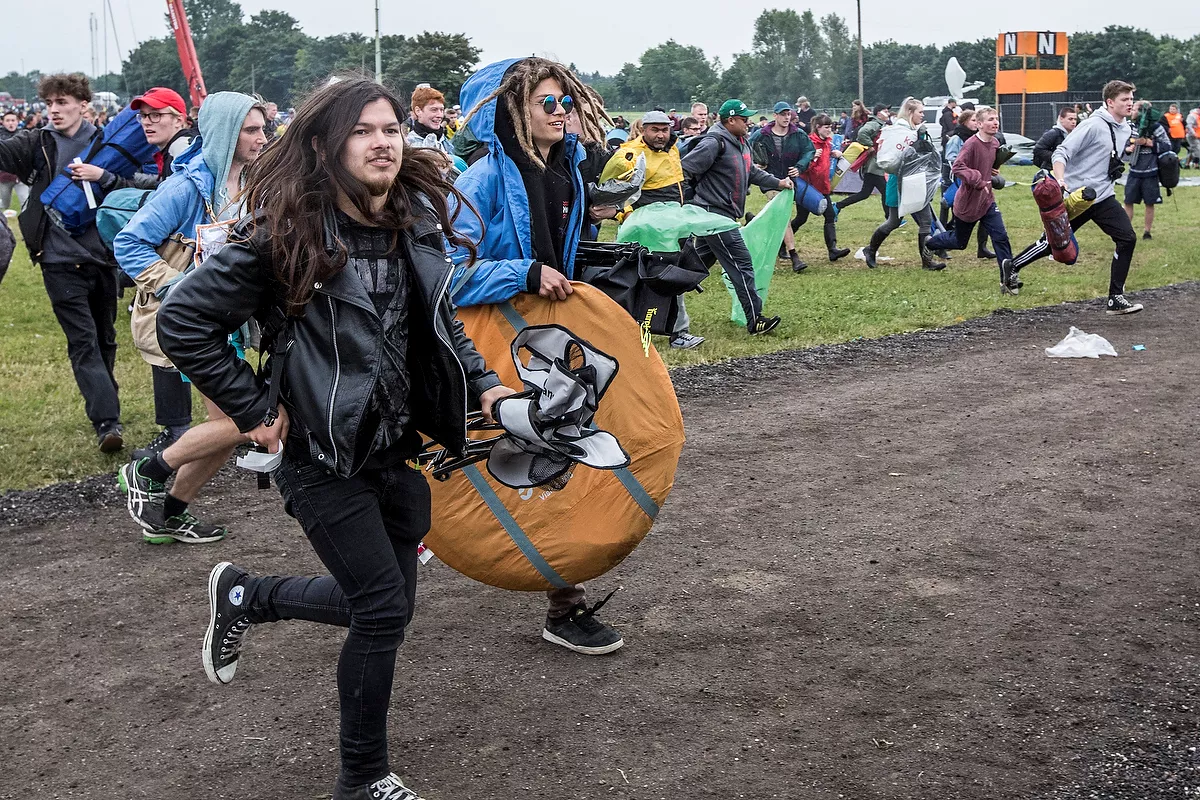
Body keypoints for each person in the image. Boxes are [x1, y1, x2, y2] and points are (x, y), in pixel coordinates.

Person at [157, 75, 513, 800]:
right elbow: (182, 321)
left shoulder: (413, 222)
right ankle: (363, 778)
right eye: (363, 131)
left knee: (384, 605)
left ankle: (249, 596)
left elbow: (439, 321)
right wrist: (253, 409)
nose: (383, 143)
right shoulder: (284, 235)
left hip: (395, 448)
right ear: (324, 146)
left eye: (391, 129)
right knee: (380, 610)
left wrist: (486, 385)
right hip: (319, 456)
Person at [449, 57, 630, 655]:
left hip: (541, 345)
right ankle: (372, 585)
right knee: (456, 470)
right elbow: (442, 277)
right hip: (482, 347)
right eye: (546, 102)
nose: (561, 111)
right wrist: (523, 273)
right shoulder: (478, 183)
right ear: (512, 110)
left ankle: (564, 603)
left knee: (554, 458)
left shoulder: (567, 172)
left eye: (565, 101)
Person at [114, 92, 268, 544]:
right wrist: (178, 288)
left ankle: (168, 514)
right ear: (226, 133)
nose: (262, 138)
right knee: (247, 420)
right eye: (251, 130)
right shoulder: (184, 187)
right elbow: (129, 242)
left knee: (230, 428)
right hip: (187, 327)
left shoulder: (253, 181)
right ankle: (147, 470)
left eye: (262, 128)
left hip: (225, 323)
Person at [0, 74, 130, 451]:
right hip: (57, 260)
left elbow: (137, 185)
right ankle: (107, 422)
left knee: (106, 338)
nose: (54, 111)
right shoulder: (36, 142)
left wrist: (103, 176)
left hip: (103, 257)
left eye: (62, 103)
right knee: (83, 341)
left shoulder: (105, 141)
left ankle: (107, 405)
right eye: (49, 104)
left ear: (83, 105)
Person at [1004, 80, 1142, 314]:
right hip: (1076, 196)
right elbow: (1061, 152)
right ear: (1110, 102)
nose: (1130, 103)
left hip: (1103, 196)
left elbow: (1116, 158)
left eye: (1131, 99)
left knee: (1127, 238)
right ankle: (1013, 265)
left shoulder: (1127, 129)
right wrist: (1060, 179)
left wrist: (1126, 155)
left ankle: (1115, 298)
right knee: (1054, 245)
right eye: (1124, 99)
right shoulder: (1092, 125)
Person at [124, 86, 201, 458]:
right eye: (143, 116)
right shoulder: (171, 150)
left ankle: (178, 435)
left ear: (179, 118)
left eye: (156, 115)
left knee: (166, 340)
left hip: (181, 259)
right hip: (182, 258)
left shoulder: (181, 149)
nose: (147, 122)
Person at [682, 99, 793, 331]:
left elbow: (750, 172)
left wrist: (778, 183)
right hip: (714, 216)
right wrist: (689, 203)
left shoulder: (741, 142)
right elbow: (685, 169)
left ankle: (656, 295)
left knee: (692, 268)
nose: (748, 122)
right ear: (730, 120)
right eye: (744, 119)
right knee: (742, 264)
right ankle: (755, 320)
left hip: (722, 215)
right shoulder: (714, 142)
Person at [599, 110, 702, 349]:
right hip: (645, 231)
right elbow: (613, 191)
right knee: (636, 280)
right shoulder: (631, 154)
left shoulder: (672, 149)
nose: (660, 135)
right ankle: (624, 331)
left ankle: (678, 332)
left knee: (674, 276)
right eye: (654, 130)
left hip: (672, 227)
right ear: (643, 130)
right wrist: (627, 216)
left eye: (664, 129)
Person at [924, 106, 1012, 278]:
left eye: (996, 119)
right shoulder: (971, 144)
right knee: (959, 242)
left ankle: (1009, 276)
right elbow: (957, 167)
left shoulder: (995, 143)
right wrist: (977, 178)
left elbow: (987, 163)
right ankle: (930, 243)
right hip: (968, 202)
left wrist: (993, 169)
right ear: (979, 124)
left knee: (1001, 237)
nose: (995, 122)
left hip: (986, 200)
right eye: (990, 119)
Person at [861, 97, 944, 271]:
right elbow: (898, 158)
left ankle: (927, 262)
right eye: (920, 112)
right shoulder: (898, 131)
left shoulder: (914, 130)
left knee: (926, 221)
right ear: (910, 112)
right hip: (899, 181)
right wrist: (917, 137)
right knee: (893, 221)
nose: (923, 115)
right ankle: (871, 250)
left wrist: (921, 137)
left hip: (915, 180)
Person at [748, 101, 813, 272]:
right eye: (783, 114)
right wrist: (754, 164)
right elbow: (745, 149)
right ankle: (794, 256)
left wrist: (800, 166)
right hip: (770, 181)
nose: (786, 117)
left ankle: (753, 221)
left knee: (776, 216)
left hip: (791, 181)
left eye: (788, 114)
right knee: (783, 214)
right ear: (775, 115)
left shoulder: (798, 134)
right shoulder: (761, 134)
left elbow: (809, 151)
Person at [795, 113, 850, 263]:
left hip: (822, 187)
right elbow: (803, 167)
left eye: (830, 127)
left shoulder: (827, 143)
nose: (829, 130)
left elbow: (826, 164)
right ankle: (782, 245)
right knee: (801, 218)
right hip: (809, 189)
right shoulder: (809, 143)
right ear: (818, 127)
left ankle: (833, 250)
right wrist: (813, 157)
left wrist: (836, 155)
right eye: (826, 127)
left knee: (830, 215)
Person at [1123, 101, 1172, 240]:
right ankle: (1126, 231)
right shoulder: (1129, 126)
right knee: (1128, 201)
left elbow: (1167, 146)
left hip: (1151, 172)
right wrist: (1128, 149)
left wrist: (1149, 143)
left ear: (1142, 112)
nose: (1131, 112)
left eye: (1134, 109)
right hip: (1134, 171)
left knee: (1149, 203)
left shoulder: (1156, 127)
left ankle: (1147, 232)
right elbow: (1122, 145)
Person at [833, 103, 890, 220]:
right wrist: (870, 146)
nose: (888, 113)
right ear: (879, 114)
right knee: (886, 192)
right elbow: (862, 133)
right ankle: (890, 219)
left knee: (864, 193)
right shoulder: (874, 124)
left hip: (873, 166)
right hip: (873, 166)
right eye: (885, 111)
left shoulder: (880, 124)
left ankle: (837, 206)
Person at [404, 86, 453, 156]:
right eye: (434, 110)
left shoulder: (443, 140)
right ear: (418, 111)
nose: (440, 115)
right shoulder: (410, 146)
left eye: (441, 110)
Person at [0, 110, 31, 211]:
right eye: (8, 120)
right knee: (5, 204)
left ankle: (26, 220)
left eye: (13, 120)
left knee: (25, 201)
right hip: (4, 177)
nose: (11, 123)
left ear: (17, 121)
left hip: (21, 176)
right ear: (3, 122)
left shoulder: (24, 135)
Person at [1033, 106, 1078, 171]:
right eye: (1070, 119)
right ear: (1061, 119)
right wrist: (1057, 158)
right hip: (1051, 170)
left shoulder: (1075, 134)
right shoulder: (1053, 133)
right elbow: (1038, 149)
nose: (1073, 122)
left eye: (1075, 119)